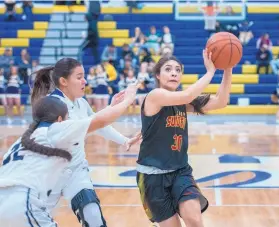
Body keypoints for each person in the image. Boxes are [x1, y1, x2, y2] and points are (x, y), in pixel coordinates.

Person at [0, 83, 138, 227]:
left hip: (6, 199)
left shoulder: (22, 141)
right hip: (23, 203)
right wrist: (128, 99)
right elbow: (98, 121)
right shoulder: (56, 129)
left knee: (90, 212)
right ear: (60, 120)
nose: (83, 81)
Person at [30, 58, 141, 227]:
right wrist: (123, 102)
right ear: (63, 81)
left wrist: (124, 140)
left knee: (93, 216)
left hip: (75, 171)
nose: (85, 81)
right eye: (79, 77)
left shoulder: (81, 102)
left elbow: (98, 124)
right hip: (49, 174)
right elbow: (94, 123)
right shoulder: (52, 106)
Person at [136, 51, 233, 227]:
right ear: (158, 75)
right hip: (152, 177)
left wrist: (228, 69)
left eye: (178, 70)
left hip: (180, 171)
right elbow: (186, 95)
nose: (174, 73)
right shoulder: (155, 96)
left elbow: (221, 101)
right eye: (168, 69)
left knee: (195, 220)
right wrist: (210, 72)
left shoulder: (182, 101)